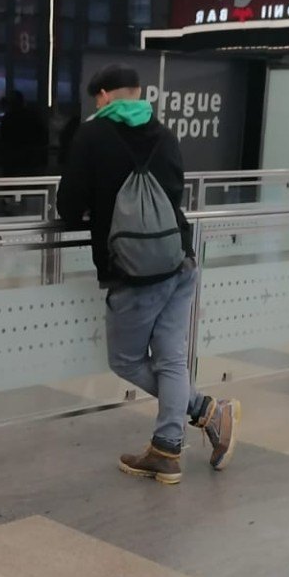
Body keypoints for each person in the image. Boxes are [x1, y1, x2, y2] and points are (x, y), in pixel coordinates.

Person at [57, 62, 239, 485]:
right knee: (172, 359)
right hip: (180, 259)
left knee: (125, 359)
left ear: (102, 96)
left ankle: (206, 411)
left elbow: (68, 208)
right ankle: (167, 449)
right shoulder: (162, 132)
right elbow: (174, 192)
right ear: (138, 94)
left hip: (133, 271)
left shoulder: (92, 134)